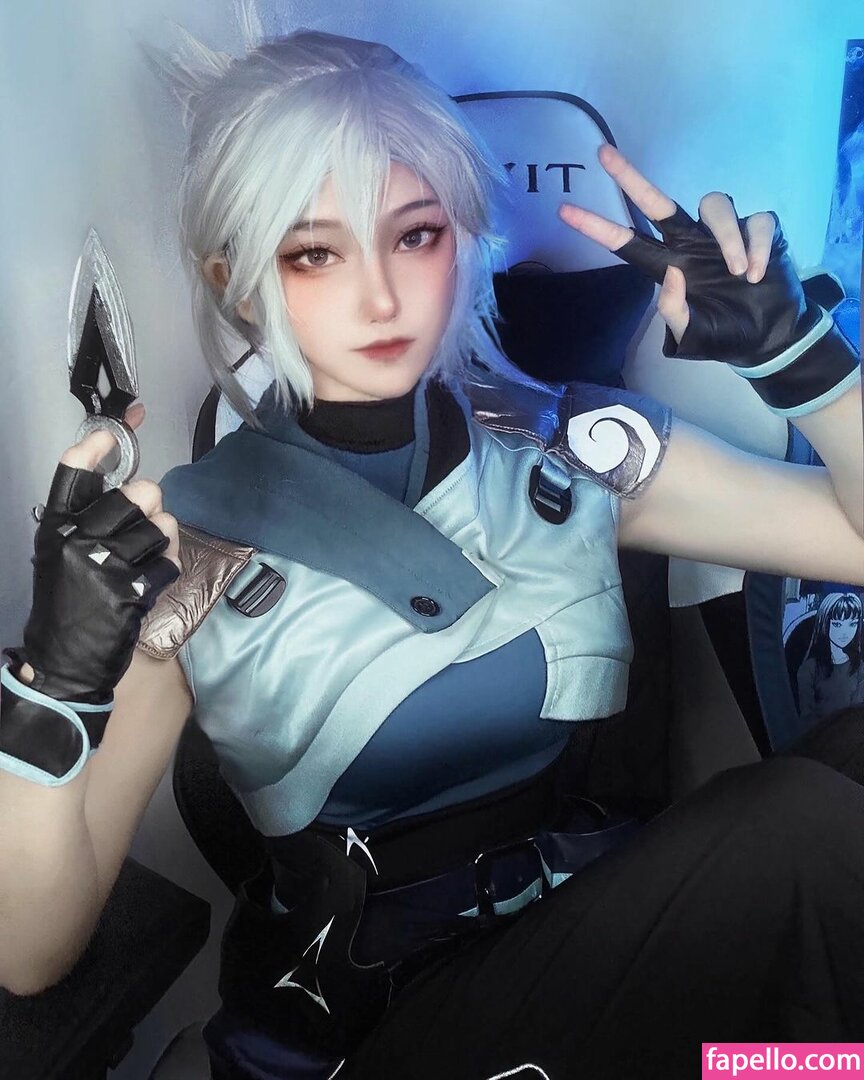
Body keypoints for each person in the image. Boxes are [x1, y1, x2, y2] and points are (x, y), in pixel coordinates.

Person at [2, 28, 864, 1080]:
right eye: (314, 253)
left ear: (461, 239)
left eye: (413, 235)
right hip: (373, 1025)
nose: (380, 296)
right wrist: (54, 680)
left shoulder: (572, 449)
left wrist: (802, 362)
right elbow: (30, 956)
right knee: (800, 834)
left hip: (583, 944)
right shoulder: (188, 550)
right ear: (238, 282)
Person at [797, 592, 864, 725]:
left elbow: (857, 717)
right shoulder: (809, 668)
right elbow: (806, 716)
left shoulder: (860, 668)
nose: (845, 632)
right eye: (837, 624)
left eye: (852, 624)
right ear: (825, 624)